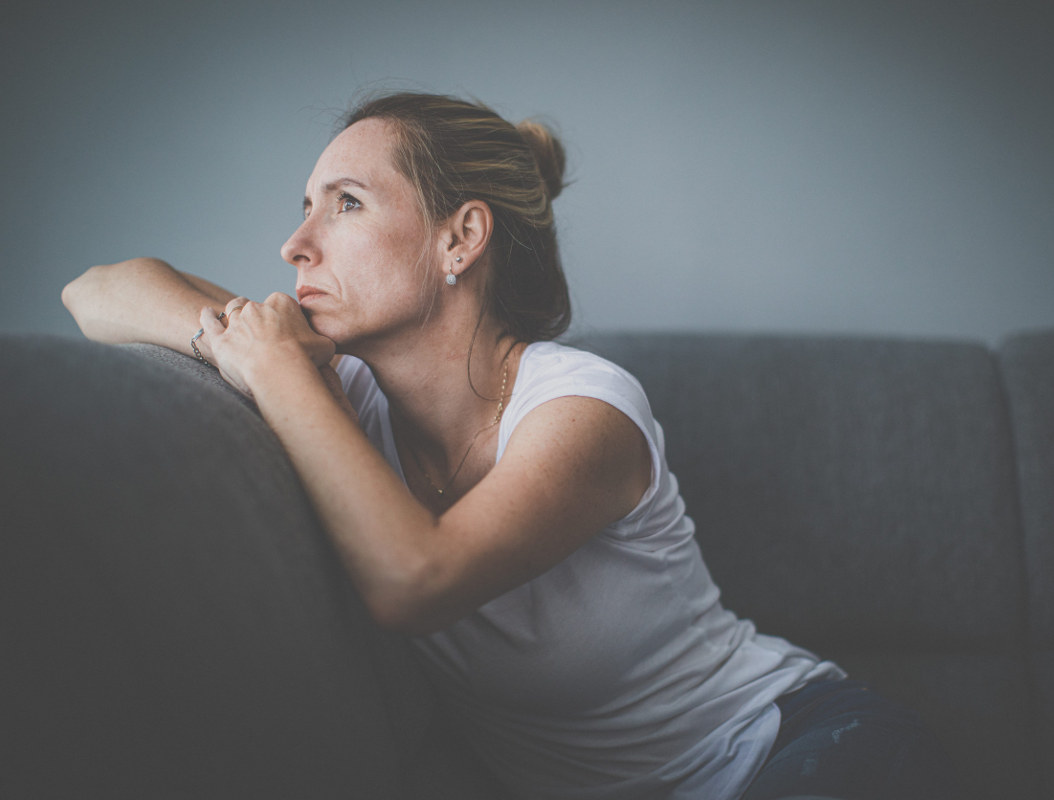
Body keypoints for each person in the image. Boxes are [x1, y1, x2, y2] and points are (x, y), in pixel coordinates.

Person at [62, 91, 957, 800]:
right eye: (305, 207)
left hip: (797, 748)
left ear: (461, 238)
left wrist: (278, 368)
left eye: (346, 204)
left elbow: (416, 582)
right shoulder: (345, 391)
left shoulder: (585, 407)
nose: (295, 245)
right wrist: (251, 346)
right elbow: (97, 292)